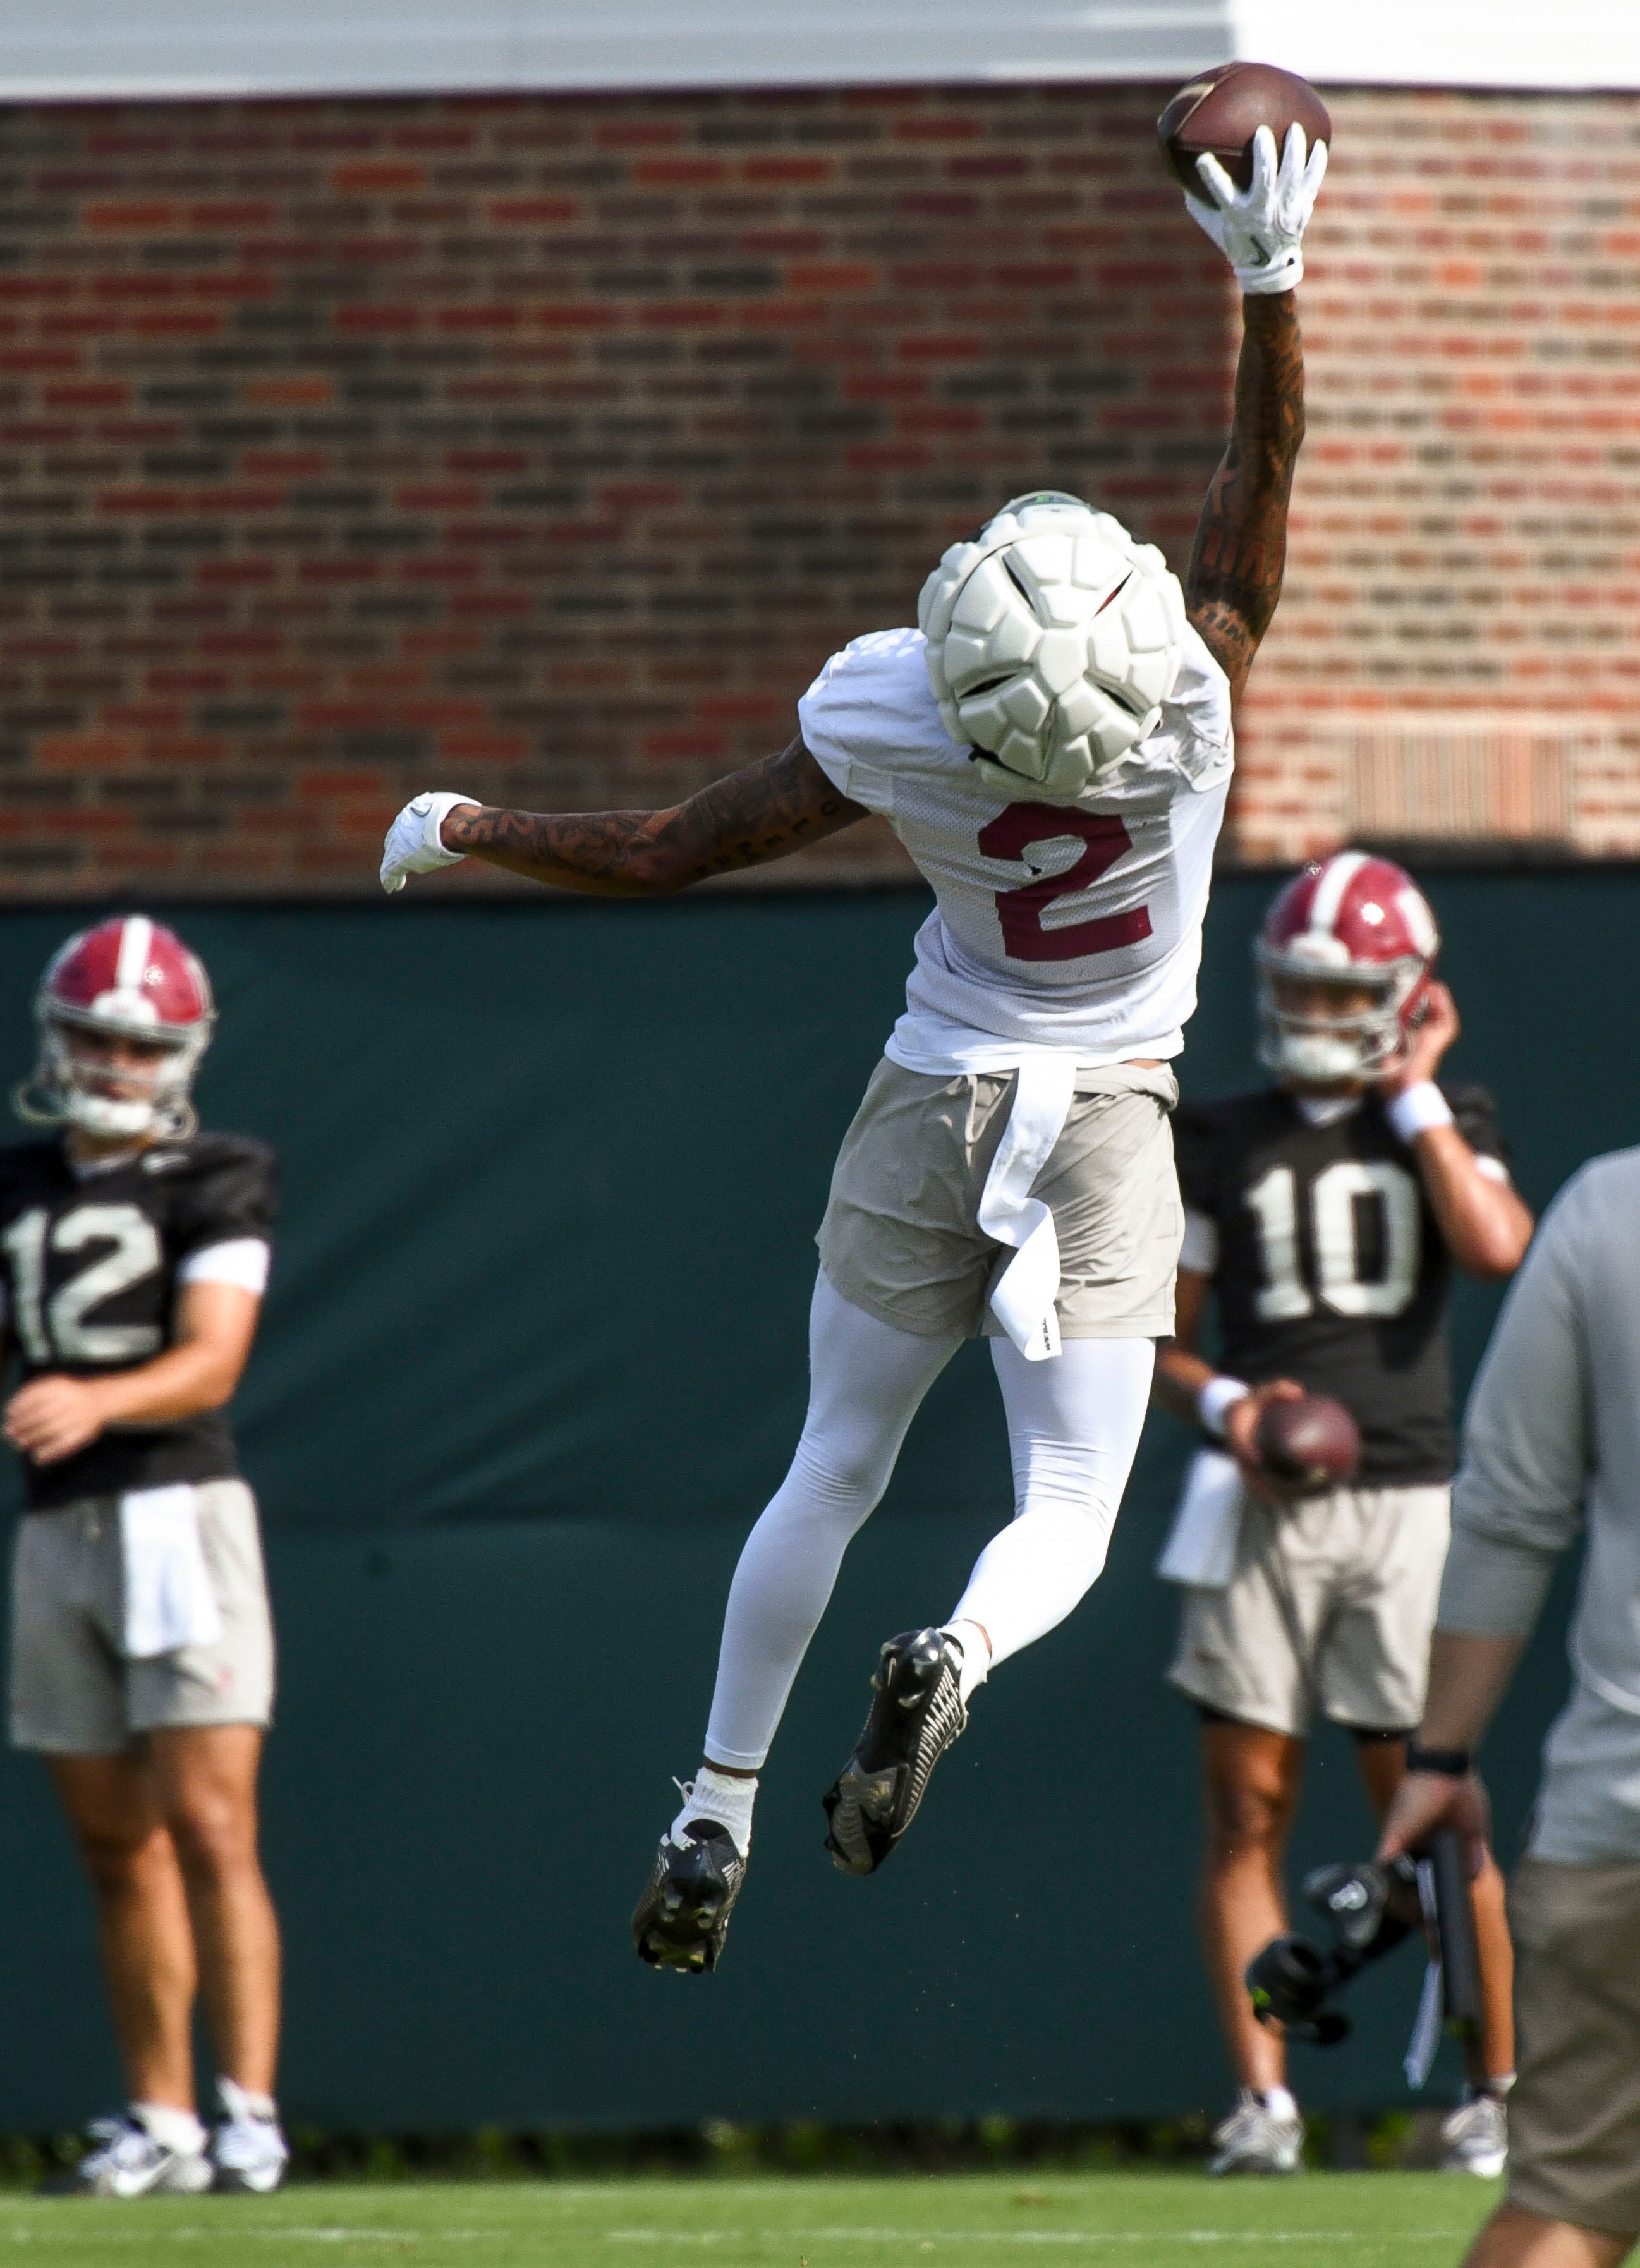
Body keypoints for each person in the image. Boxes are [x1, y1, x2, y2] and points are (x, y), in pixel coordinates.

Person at [379, 123, 1325, 1972]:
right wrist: (1272, 286)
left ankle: (715, 1800)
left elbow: (661, 850)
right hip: (1114, 1111)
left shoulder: (893, 707)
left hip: (937, 1084)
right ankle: (953, 1655)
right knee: (1065, 1501)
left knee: (829, 1459)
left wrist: (475, 825)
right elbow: (1252, 486)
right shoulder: (1191, 704)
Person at [0, 918, 289, 2198]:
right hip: (58, 1531)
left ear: (182, 1048)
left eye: (136, 1038)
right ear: (58, 1037)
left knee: (214, 1827)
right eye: (95, 1034)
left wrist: (99, 1401)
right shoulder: (8, 1184)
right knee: (113, 1847)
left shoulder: (220, 1171)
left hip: (180, 1514)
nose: (111, 1058)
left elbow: (214, 1356)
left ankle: (249, 2117)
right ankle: (158, 2120)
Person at [1152, 852, 1531, 2175]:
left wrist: (1415, 1092)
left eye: (1342, 989)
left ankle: (1496, 2087)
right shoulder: (1216, 1135)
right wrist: (1230, 1414)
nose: (1314, 1010)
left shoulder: (1439, 1115)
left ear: (1404, 996)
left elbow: (1497, 1247)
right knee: (1244, 1804)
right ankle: (1266, 2102)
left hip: (1406, 1497)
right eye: (1298, 986)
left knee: (1431, 1807)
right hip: (1259, 1500)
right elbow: (1158, 1337)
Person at [1381, 1145, 1640, 2268]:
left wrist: (1438, 1755)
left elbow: (1507, 1511)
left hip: (1618, 1814)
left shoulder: (1608, 1206)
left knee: (1569, 2200)